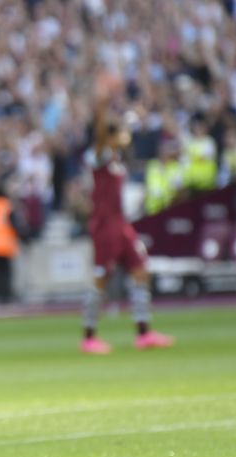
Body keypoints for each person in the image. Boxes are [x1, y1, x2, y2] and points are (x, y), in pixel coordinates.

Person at [81, 103, 174, 354]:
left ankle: (144, 332)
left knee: (140, 271)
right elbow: (102, 140)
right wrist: (105, 113)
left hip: (120, 224)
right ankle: (88, 337)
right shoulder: (97, 155)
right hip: (104, 226)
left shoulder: (114, 159)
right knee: (100, 279)